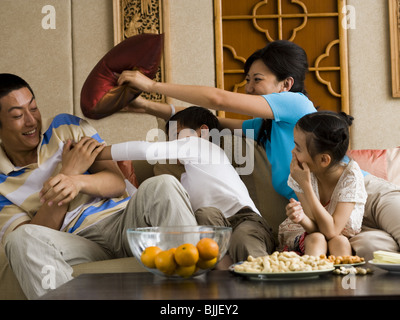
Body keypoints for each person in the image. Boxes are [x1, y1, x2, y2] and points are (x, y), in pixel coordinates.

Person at [0, 73, 197, 299]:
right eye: (17, 115)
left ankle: (189, 301)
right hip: (77, 242)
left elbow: (116, 183)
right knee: (19, 239)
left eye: (33, 108)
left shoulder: (64, 127)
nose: (31, 120)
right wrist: (68, 172)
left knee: (163, 184)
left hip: (124, 223)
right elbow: (31, 236)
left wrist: (77, 181)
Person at [116, 40, 317, 201]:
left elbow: (217, 100)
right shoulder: (267, 126)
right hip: (303, 214)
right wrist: (146, 107)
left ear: (286, 84)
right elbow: (212, 120)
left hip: (329, 209)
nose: (248, 88)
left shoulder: (297, 104)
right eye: (247, 80)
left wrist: (152, 86)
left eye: (257, 79)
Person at [96, 106, 275, 263]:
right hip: (217, 225)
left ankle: (265, 278)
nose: (172, 143)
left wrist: (97, 153)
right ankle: (221, 277)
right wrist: (126, 180)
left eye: (175, 135)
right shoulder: (185, 180)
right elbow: (151, 205)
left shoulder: (202, 146)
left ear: (202, 132)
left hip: (246, 219)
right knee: (204, 215)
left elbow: (145, 149)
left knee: (242, 239)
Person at [278, 111, 367, 256]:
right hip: (307, 231)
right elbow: (314, 226)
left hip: (336, 234)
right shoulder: (300, 173)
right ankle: (312, 276)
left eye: (298, 148)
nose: (293, 152)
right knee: (317, 238)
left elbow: (332, 231)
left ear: (324, 160)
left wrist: (306, 185)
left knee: (340, 242)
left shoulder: (351, 177)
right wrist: (301, 218)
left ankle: (344, 277)